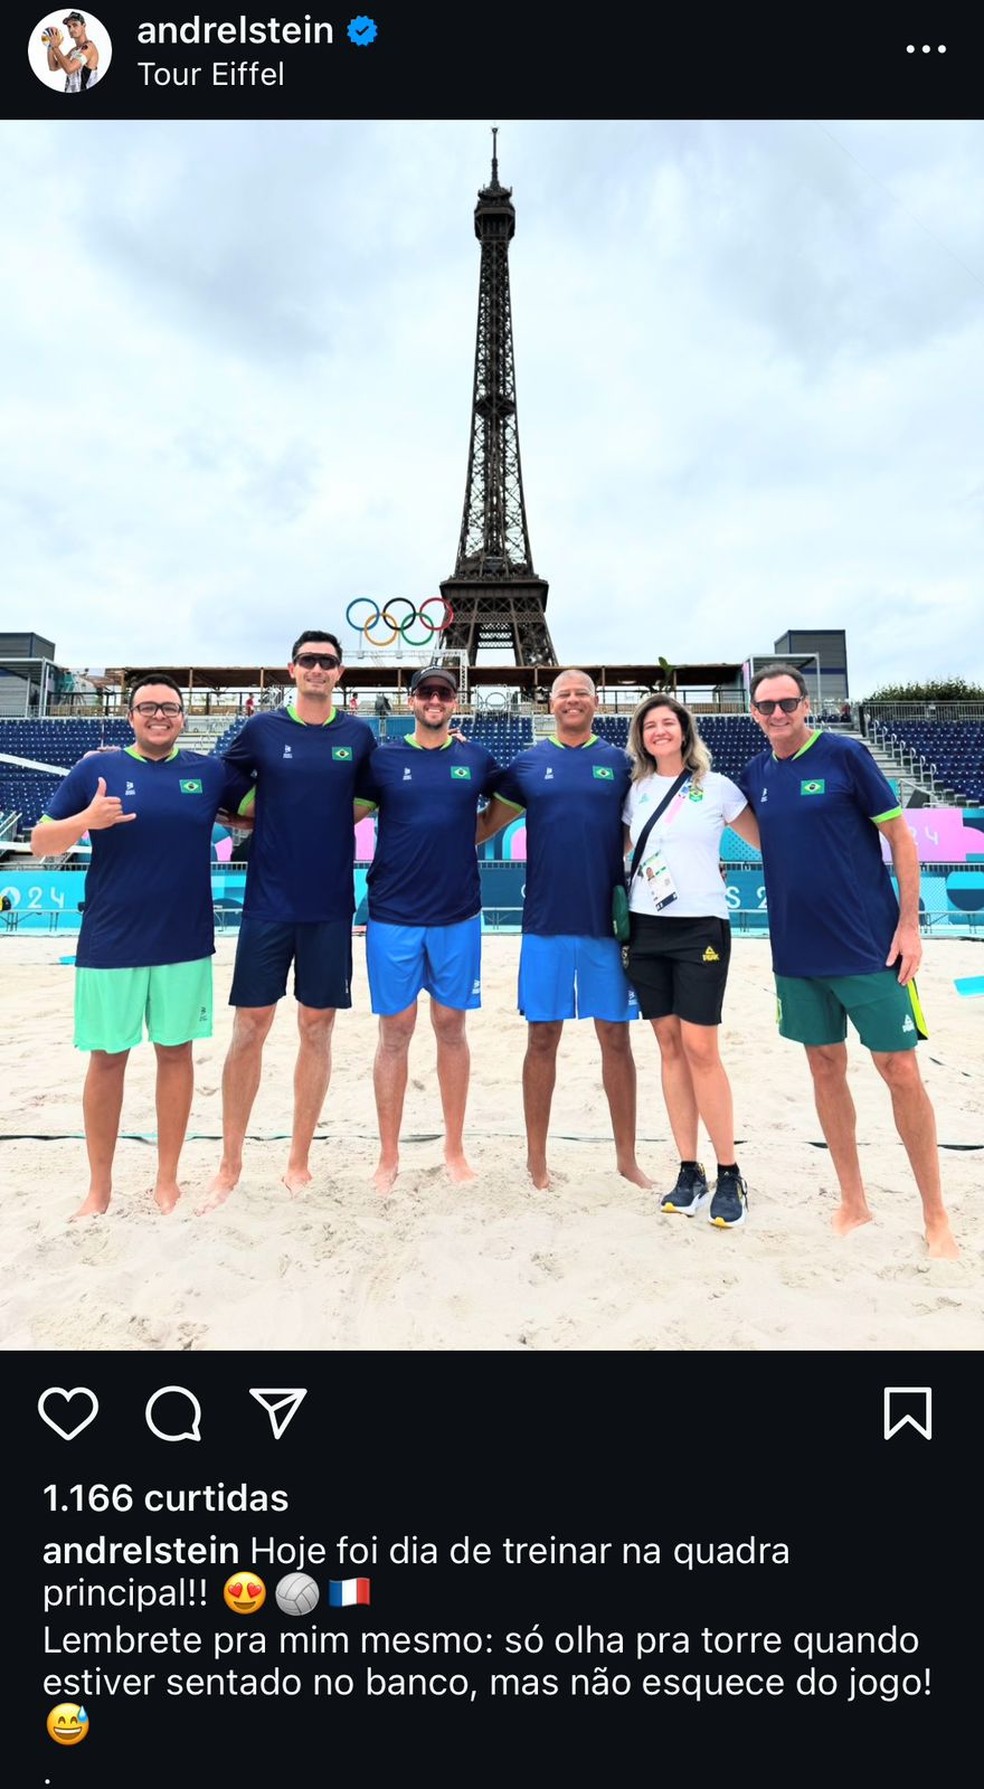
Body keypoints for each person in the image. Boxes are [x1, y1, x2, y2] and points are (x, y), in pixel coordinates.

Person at [737, 662, 958, 1259]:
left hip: (869, 945)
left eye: (787, 703)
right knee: (825, 1068)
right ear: (753, 713)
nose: (777, 714)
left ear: (806, 705)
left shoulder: (845, 755)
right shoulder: (756, 773)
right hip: (797, 952)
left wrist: (910, 926)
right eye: (766, 706)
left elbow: (901, 839)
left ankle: (935, 1215)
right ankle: (853, 1199)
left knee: (900, 1071)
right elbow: (764, 837)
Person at [30, 676, 250, 1218]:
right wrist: (86, 820)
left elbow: (260, 807)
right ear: (130, 716)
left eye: (169, 708)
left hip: (183, 940)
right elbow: (40, 843)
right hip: (111, 940)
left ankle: (167, 1180)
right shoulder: (95, 770)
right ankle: (99, 1188)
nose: (159, 715)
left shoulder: (207, 771)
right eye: (148, 707)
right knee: (107, 1060)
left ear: (182, 717)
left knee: (175, 1054)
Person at [204, 631, 376, 1206]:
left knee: (316, 1028)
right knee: (250, 1026)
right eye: (309, 661)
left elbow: (377, 793)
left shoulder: (358, 735)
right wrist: (256, 813)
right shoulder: (262, 730)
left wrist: (327, 817)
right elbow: (220, 787)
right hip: (268, 901)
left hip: (328, 902)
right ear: (291, 669)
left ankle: (298, 1159)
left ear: (340, 674)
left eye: (328, 662)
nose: (318, 669)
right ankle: (230, 1161)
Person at [476, 669, 651, 1191]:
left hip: (604, 922)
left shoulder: (621, 764)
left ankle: (626, 1159)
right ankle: (536, 1161)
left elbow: (637, 832)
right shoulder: (529, 764)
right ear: (549, 704)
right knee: (542, 1038)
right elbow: (485, 826)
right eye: (563, 694)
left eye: (581, 693)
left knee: (615, 1038)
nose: (572, 701)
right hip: (546, 922)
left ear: (596, 703)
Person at [356, 664, 500, 1191]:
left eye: (443, 693)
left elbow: (509, 801)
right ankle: (388, 1155)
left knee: (451, 1028)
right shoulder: (384, 759)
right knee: (394, 1032)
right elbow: (339, 809)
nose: (435, 700)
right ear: (411, 701)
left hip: (457, 913)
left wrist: (479, 831)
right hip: (393, 913)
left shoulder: (475, 758)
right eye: (426, 693)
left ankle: (454, 1149)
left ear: (455, 702)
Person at [623, 695, 761, 1228]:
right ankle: (688, 1167)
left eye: (667, 723)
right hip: (645, 925)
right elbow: (623, 851)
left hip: (701, 925)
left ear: (683, 732)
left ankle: (729, 1171)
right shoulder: (634, 792)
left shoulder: (718, 787)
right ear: (641, 737)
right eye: (649, 725)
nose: (659, 731)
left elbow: (767, 839)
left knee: (701, 1046)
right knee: (669, 1047)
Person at [46, 12, 99, 91]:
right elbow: (53, 67)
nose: (71, 29)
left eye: (75, 25)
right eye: (69, 26)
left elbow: (69, 69)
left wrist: (55, 47)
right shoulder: (74, 51)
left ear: (83, 26)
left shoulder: (88, 47)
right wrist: (50, 44)